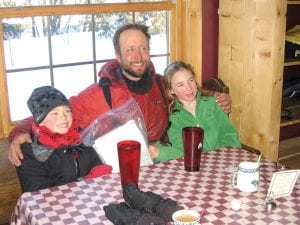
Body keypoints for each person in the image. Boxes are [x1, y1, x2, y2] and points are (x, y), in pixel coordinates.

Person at [8, 23, 231, 166]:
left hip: (164, 162)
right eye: (130, 49)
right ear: (118, 55)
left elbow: (188, 89)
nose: (138, 56)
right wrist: (19, 132)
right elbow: (54, 112)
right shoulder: (99, 93)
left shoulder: (161, 84)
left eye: (143, 48)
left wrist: (217, 96)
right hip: (117, 171)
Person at [16, 86, 112, 192]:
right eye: (54, 113)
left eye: (67, 111)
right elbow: (37, 191)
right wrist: (84, 183)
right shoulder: (29, 150)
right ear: (40, 120)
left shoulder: (79, 138)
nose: (64, 118)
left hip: (88, 201)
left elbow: (97, 166)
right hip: (51, 206)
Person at [149, 61, 241, 162]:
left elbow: (229, 135)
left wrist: (224, 157)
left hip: (223, 160)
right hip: (196, 165)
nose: (188, 87)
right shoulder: (173, 117)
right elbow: (182, 149)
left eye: (191, 80)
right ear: (171, 90)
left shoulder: (212, 104)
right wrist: (160, 153)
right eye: (180, 85)